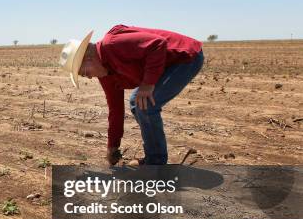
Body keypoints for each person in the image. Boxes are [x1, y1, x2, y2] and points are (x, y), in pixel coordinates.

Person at [58, 25, 204, 165]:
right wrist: (112, 147)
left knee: (144, 103)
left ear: (88, 59)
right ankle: (154, 158)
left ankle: (155, 163)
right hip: (165, 65)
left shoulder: (112, 44)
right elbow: (116, 110)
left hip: (184, 57)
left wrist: (147, 84)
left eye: (84, 73)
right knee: (137, 102)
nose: (89, 77)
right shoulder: (106, 75)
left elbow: (158, 44)